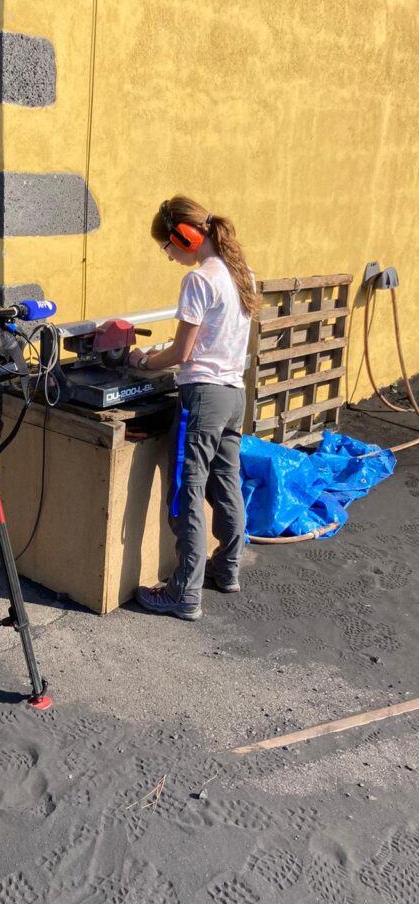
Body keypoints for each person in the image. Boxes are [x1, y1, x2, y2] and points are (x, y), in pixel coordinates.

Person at [129, 195, 259, 621]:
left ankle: (184, 593)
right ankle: (227, 568)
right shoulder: (243, 275)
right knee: (226, 484)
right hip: (234, 395)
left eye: (167, 247)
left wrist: (143, 361)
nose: (168, 257)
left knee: (186, 490)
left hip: (201, 398)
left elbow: (183, 353)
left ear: (184, 236)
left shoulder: (200, 280)